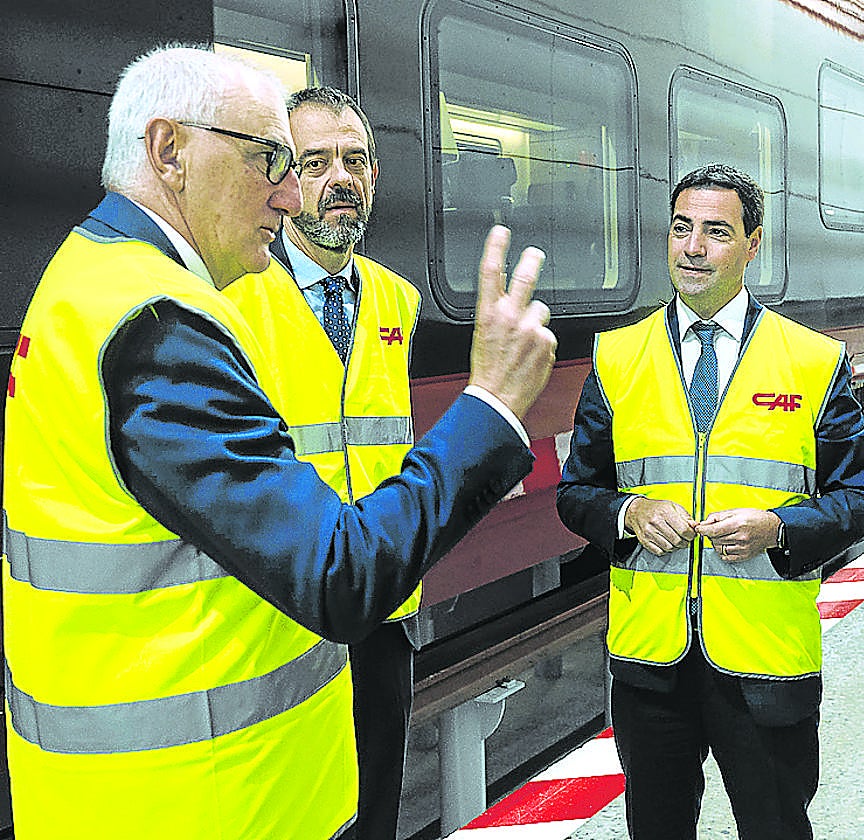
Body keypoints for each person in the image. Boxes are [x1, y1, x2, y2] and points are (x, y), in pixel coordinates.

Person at [2, 45, 556, 840]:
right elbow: (336, 571)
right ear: (169, 152)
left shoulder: (91, 280)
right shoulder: (163, 325)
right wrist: (492, 405)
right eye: (273, 160)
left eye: (345, 161)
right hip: (205, 796)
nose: (293, 191)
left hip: (204, 756)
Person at [557, 163, 864, 840]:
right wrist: (627, 514)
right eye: (682, 229)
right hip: (652, 664)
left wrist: (779, 526)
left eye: (715, 231)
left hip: (765, 663)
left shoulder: (811, 360)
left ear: (752, 244)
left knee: (775, 828)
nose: (693, 248)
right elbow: (576, 493)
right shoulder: (618, 359)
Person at [223, 85, 421, 840]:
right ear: (281, 177)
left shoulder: (397, 303)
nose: (341, 177)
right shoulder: (232, 302)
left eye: (356, 159)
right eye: (316, 161)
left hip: (382, 615)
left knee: (376, 815)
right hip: (280, 618)